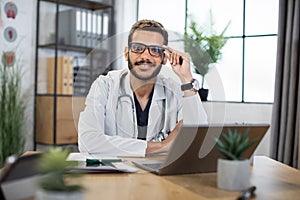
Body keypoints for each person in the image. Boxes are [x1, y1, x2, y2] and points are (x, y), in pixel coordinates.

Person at [78, 19, 207, 156]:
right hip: (115, 174)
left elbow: (198, 138)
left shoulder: (176, 90)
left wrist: (186, 78)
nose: (145, 56)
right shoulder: (105, 85)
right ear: (127, 53)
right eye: (138, 48)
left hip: (160, 173)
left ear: (164, 58)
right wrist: (163, 145)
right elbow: (88, 142)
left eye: (155, 50)